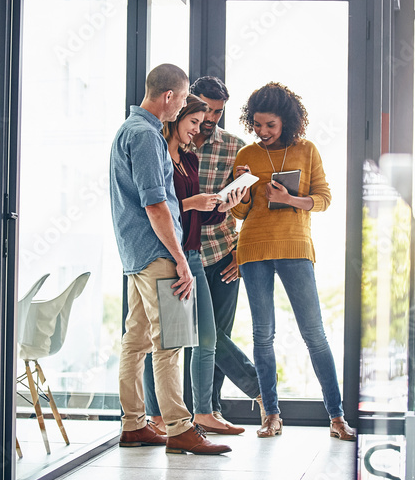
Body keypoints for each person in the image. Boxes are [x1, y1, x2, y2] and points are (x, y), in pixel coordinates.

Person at [109, 63, 231, 455]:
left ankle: (133, 424)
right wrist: (180, 259)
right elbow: (157, 204)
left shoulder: (128, 130)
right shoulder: (146, 136)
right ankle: (179, 427)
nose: (182, 109)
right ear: (168, 97)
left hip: (136, 253)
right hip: (158, 251)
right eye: (182, 101)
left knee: (137, 341)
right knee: (170, 343)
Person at [230, 81, 356, 441]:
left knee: (314, 334)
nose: (262, 132)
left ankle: (336, 418)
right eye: (257, 124)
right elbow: (240, 213)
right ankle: (271, 415)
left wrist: (289, 199)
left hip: (295, 247)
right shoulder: (246, 156)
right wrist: (238, 190)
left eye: (270, 125)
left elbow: (324, 199)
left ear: (286, 121)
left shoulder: (307, 150)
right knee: (262, 336)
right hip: (253, 248)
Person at [142, 95, 250, 435]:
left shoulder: (187, 158)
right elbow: (156, 207)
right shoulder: (158, 153)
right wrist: (193, 203)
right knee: (166, 342)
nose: (199, 129)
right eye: (193, 122)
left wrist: (226, 204)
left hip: (193, 254)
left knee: (207, 339)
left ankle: (203, 412)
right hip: (168, 255)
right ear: (178, 118)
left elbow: (196, 214)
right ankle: (158, 416)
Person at [188, 75, 265, 428]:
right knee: (205, 335)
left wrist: (239, 252)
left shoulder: (234, 147)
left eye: (218, 112)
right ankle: (259, 387)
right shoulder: (176, 143)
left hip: (223, 252)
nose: (211, 119)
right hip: (185, 255)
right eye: (206, 110)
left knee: (218, 334)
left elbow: (246, 210)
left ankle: (211, 409)